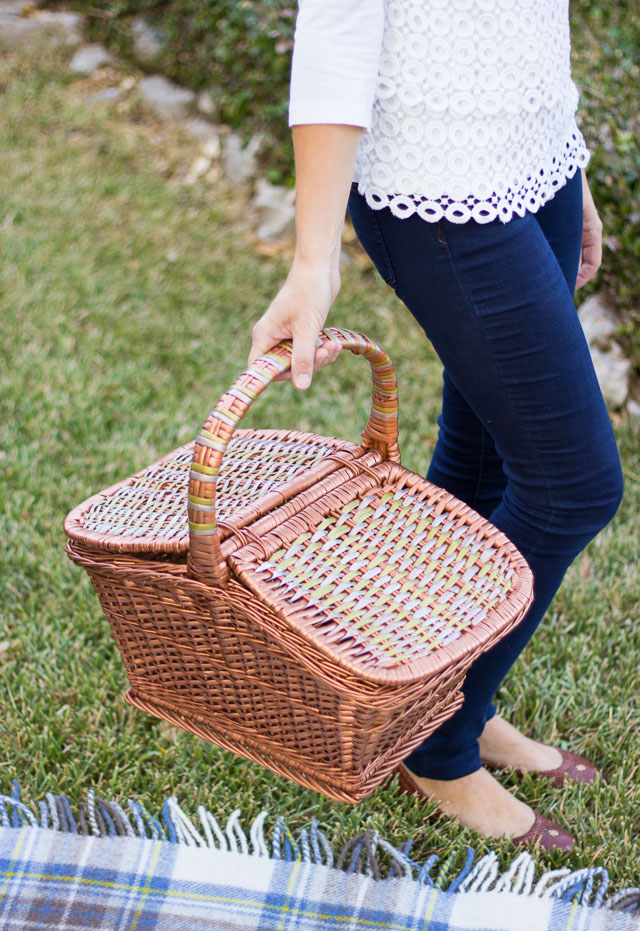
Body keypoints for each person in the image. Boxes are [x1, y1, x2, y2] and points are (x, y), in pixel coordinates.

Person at [248, 0, 624, 850]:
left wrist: (568, 173)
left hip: (533, 166)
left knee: (488, 451)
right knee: (573, 483)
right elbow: (335, 37)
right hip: (438, 183)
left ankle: (449, 698)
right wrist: (314, 260)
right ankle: (435, 745)